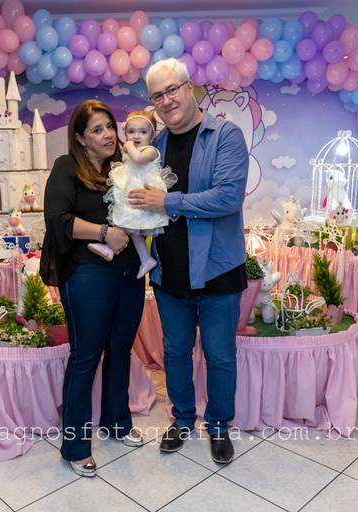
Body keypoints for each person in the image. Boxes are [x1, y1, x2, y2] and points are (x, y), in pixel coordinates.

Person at [128, 58, 249, 464]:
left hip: (218, 271)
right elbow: (137, 197)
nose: (166, 100)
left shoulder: (225, 136)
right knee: (175, 354)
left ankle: (218, 426)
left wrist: (168, 202)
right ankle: (181, 420)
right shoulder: (155, 148)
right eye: (157, 96)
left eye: (172, 90)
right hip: (169, 273)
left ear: (189, 88)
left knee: (220, 356)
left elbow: (228, 197)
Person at [40, 99, 146, 478]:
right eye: (96, 129)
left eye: (109, 127)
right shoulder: (67, 167)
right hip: (87, 274)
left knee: (120, 351)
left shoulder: (124, 168)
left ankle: (117, 423)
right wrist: (104, 233)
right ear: (81, 138)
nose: (107, 135)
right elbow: (58, 220)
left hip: (129, 272)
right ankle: (75, 445)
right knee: (85, 357)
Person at [88, 110, 177, 279]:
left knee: (129, 221)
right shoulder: (132, 149)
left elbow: (138, 159)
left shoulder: (150, 150)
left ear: (152, 135)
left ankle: (113, 249)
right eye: (131, 131)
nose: (136, 136)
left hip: (144, 192)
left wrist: (128, 146)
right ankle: (145, 259)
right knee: (130, 226)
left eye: (143, 132)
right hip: (132, 189)